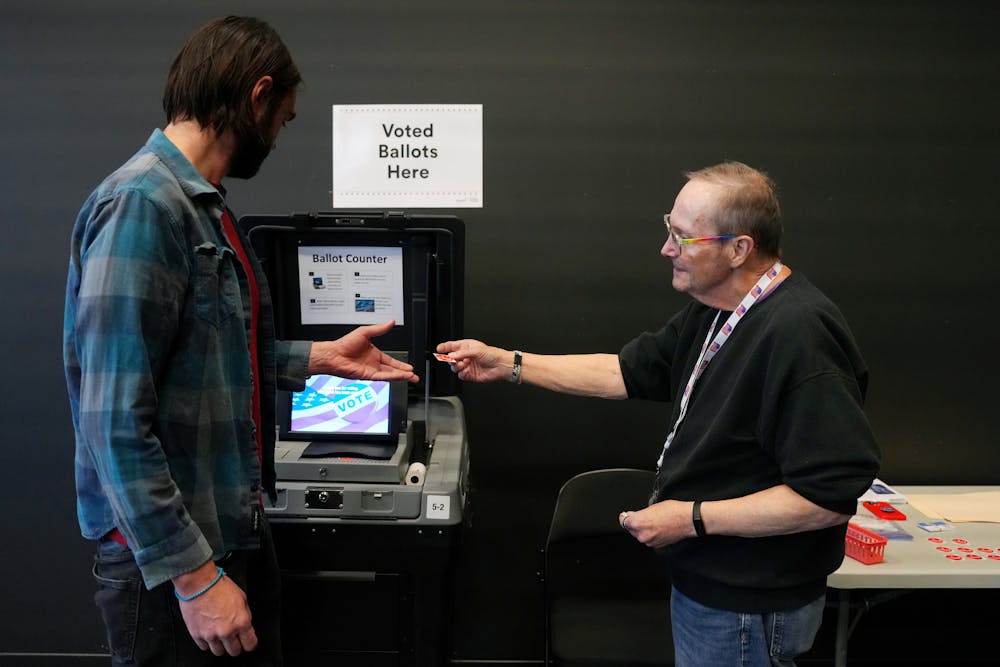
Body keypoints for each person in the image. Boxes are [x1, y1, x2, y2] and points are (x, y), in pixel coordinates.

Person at [63, 16, 418, 666]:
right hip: (172, 565)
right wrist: (194, 577)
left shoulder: (206, 208)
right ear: (256, 96)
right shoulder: (143, 207)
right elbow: (113, 420)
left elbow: (200, 356)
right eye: (283, 119)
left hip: (228, 533)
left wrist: (315, 358)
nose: (278, 140)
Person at [438, 161, 881, 666]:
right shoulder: (718, 310)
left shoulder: (799, 334)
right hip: (710, 588)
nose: (666, 249)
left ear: (739, 249)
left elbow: (828, 496)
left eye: (683, 238)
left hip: (749, 607)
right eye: (668, 229)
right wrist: (509, 363)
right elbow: (622, 373)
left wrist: (690, 518)